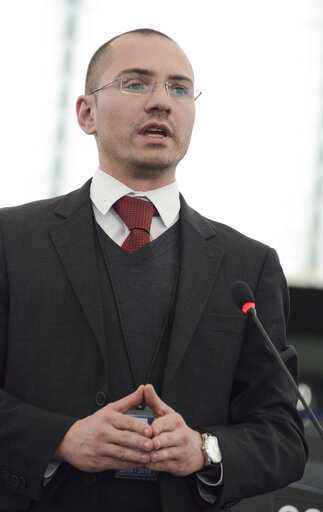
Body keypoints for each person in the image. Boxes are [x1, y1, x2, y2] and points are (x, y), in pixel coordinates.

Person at [0, 28, 307, 512]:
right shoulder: (11, 242)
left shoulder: (249, 264)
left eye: (180, 88)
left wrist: (203, 449)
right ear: (87, 113)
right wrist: (59, 439)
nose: (162, 102)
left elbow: (283, 435)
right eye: (137, 83)